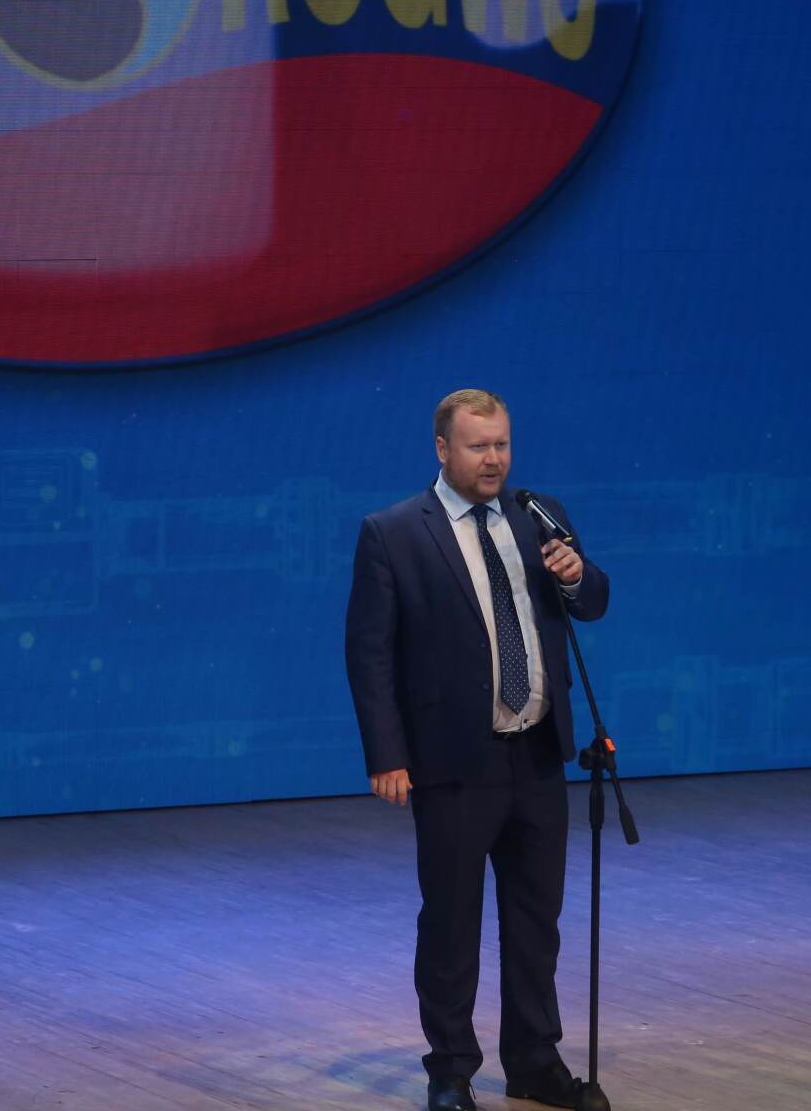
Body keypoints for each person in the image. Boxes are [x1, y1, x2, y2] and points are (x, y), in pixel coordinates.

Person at [345, 389, 610, 1111]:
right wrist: (387, 754)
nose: (494, 460)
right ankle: (451, 1071)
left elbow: (593, 600)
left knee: (536, 922)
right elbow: (370, 654)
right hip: (452, 763)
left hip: (538, 755)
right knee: (451, 924)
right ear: (442, 449)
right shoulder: (394, 533)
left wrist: (576, 576)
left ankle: (534, 1062)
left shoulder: (538, 514)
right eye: (478, 446)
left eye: (502, 444)